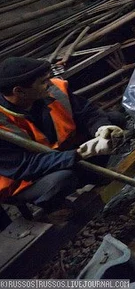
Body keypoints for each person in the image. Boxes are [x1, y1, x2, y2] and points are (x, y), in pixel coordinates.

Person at [0, 58, 125, 217]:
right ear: (19, 91)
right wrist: (80, 154)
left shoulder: (52, 91)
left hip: (58, 152)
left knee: (113, 121)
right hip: (22, 178)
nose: (49, 83)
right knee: (63, 178)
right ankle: (51, 205)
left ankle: (94, 176)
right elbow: (25, 167)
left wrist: (102, 128)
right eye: (43, 82)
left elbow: (87, 112)